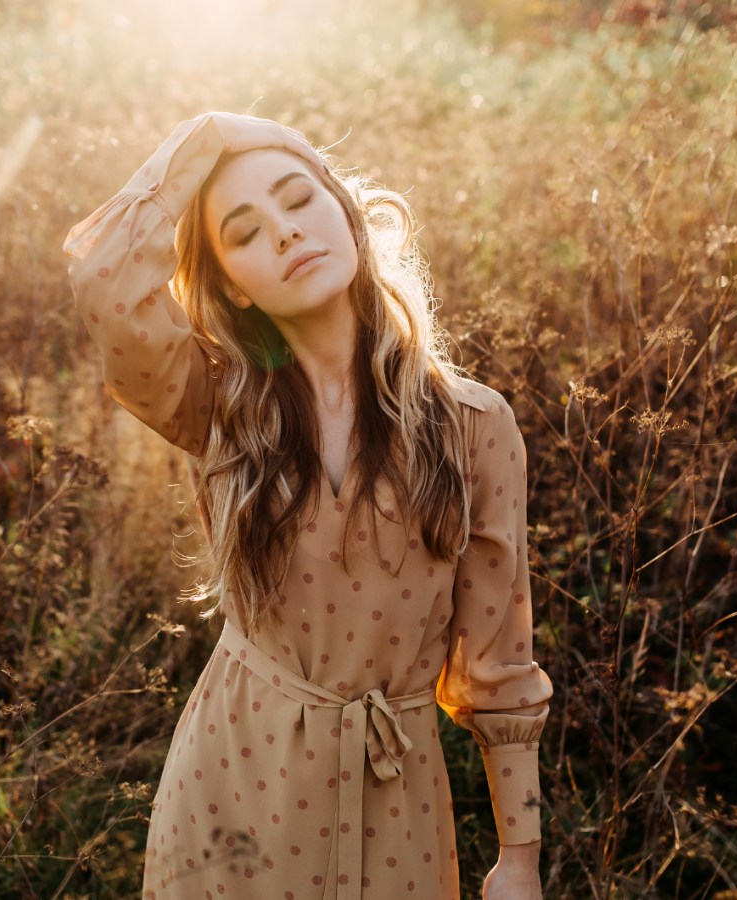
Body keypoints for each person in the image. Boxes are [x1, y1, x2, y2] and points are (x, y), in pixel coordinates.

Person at [63, 111, 552, 900]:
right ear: (230, 285)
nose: (286, 235)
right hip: (233, 786)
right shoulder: (218, 406)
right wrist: (209, 135)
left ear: (346, 210)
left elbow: (499, 668)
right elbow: (105, 281)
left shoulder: (474, 426)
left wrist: (519, 857)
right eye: (246, 233)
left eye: (299, 199)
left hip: (398, 805)